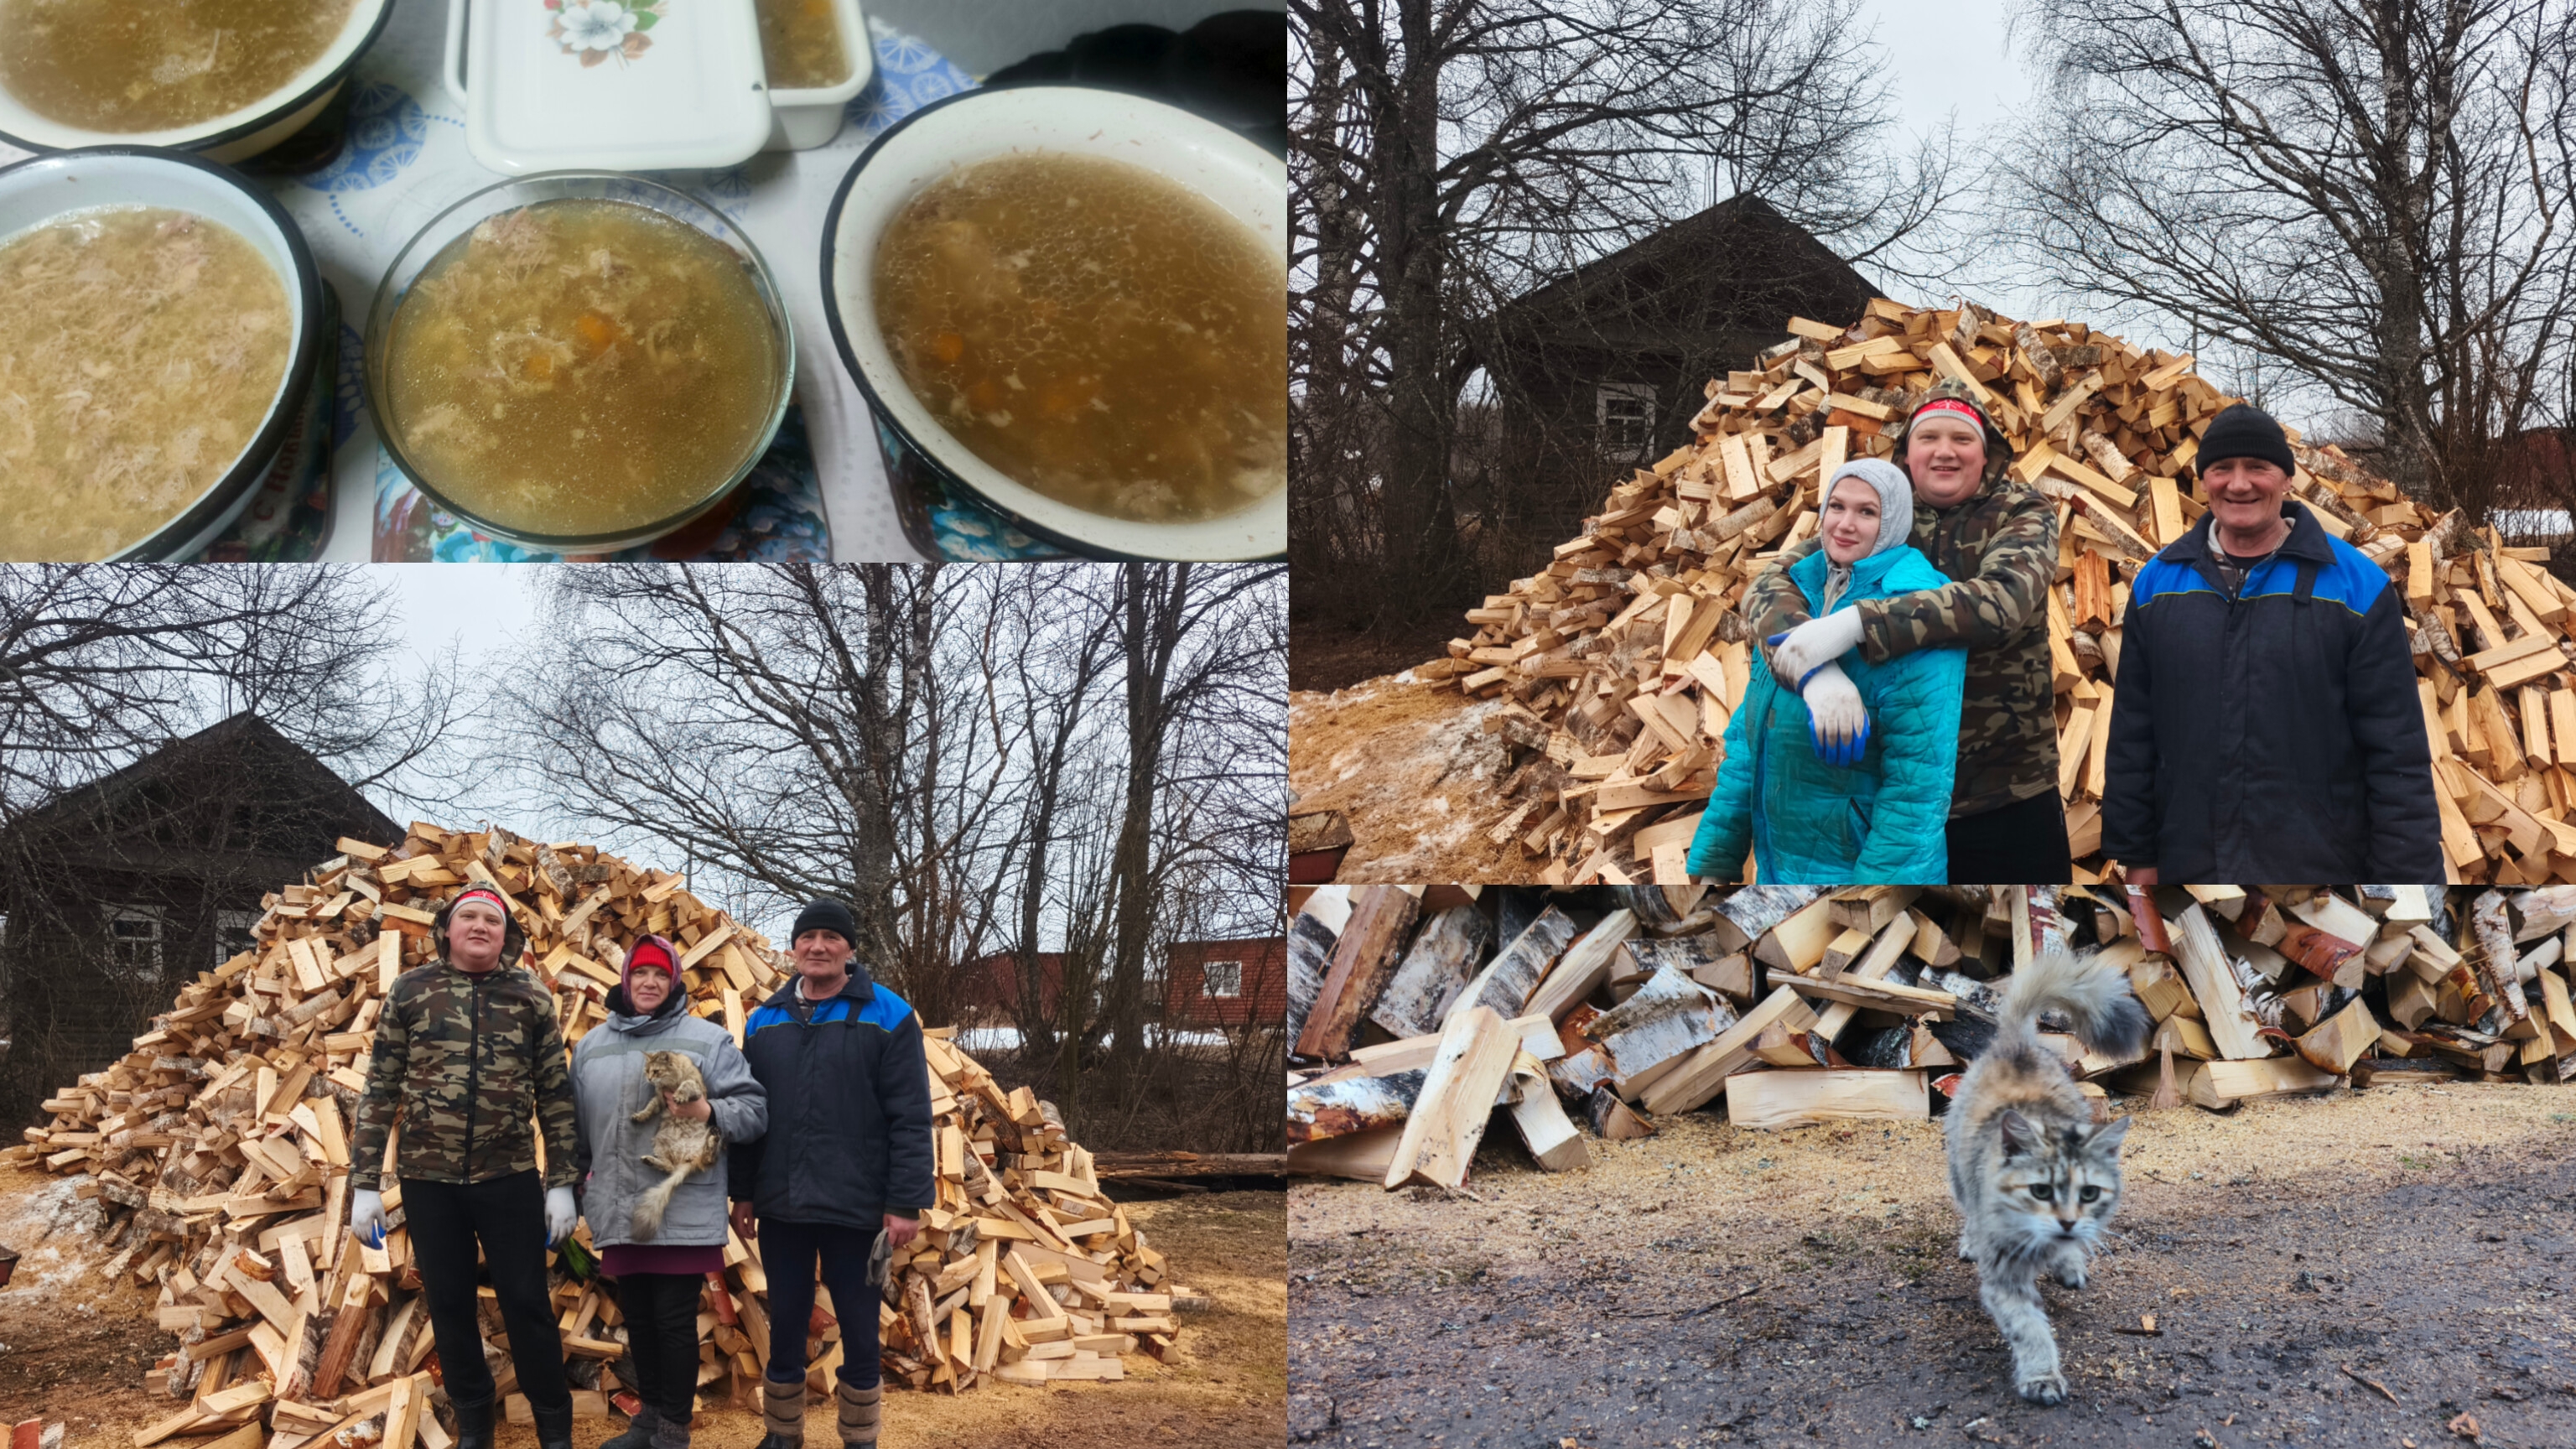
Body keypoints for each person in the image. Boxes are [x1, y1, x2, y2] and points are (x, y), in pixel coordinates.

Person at [2101, 402, 2441, 880]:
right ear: (2203, 481)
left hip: (2319, 873)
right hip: (2188, 867)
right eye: (2222, 469)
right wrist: (2138, 858)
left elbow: (2396, 751)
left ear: (2287, 478)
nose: (2239, 484)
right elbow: (2133, 737)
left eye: (2257, 467)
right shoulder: (2159, 584)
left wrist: (2404, 880)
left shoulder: (2356, 586)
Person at [1749, 382, 2069, 880]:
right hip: (1889, 789)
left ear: (1986, 453)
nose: (1944, 451)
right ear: (1908, 452)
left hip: (2003, 787)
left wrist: (1859, 623)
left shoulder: (2022, 512)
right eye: (1929, 438)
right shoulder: (1879, 509)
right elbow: (1771, 585)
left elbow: (2002, 601)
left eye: (1962, 439)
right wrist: (1816, 672)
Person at [349, 887, 579, 1449]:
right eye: (469, 917)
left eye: (492, 920)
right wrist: (364, 1186)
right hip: (431, 1181)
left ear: (506, 936)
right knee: (450, 1305)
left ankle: (554, 1427)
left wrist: (563, 1182)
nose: (480, 926)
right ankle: (475, 1426)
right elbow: (379, 1088)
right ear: (447, 929)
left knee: (526, 1304)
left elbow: (554, 1092)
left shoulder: (529, 995)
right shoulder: (412, 990)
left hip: (510, 1178)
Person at [1689, 459, 1968, 882]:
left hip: (1858, 872)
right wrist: (1716, 856)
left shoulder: (1918, 613)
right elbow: (1750, 744)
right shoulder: (1794, 596)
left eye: (1867, 512)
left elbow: (1916, 794)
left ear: (1893, 522)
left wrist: (1870, 906)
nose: (1845, 524)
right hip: (1779, 871)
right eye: (1836, 506)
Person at [726, 900, 932, 1449]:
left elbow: (910, 1117)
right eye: (807, 937)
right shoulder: (764, 1021)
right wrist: (742, 1192)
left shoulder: (888, 1015)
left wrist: (905, 1201)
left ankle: (860, 1437)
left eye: (830, 937)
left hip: (857, 1210)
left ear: (850, 949)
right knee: (786, 1325)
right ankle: (782, 1434)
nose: (818, 946)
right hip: (782, 1207)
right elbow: (750, 1116)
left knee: (862, 1333)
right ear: (794, 949)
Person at [572, 936, 767, 1449]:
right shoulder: (591, 1046)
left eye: (661, 975)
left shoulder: (708, 1040)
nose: (650, 983)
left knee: (674, 1319)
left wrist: (708, 1113)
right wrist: (574, 1186)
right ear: (625, 979)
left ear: (675, 981)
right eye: (640, 974)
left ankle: (673, 1431)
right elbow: (576, 1130)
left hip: (680, 1200)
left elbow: (754, 1111)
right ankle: (648, 1420)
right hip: (616, 1205)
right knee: (637, 1317)